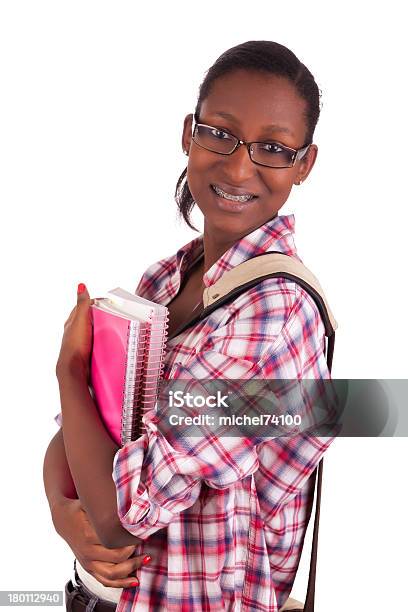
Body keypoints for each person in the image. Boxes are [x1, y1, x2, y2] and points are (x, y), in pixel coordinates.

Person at [43, 40, 336, 612]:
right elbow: (73, 440)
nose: (237, 165)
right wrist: (61, 511)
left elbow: (123, 517)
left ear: (304, 164)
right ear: (188, 133)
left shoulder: (272, 317)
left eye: (273, 148)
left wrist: (69, 368)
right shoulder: (164, 279)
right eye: (219, 133)